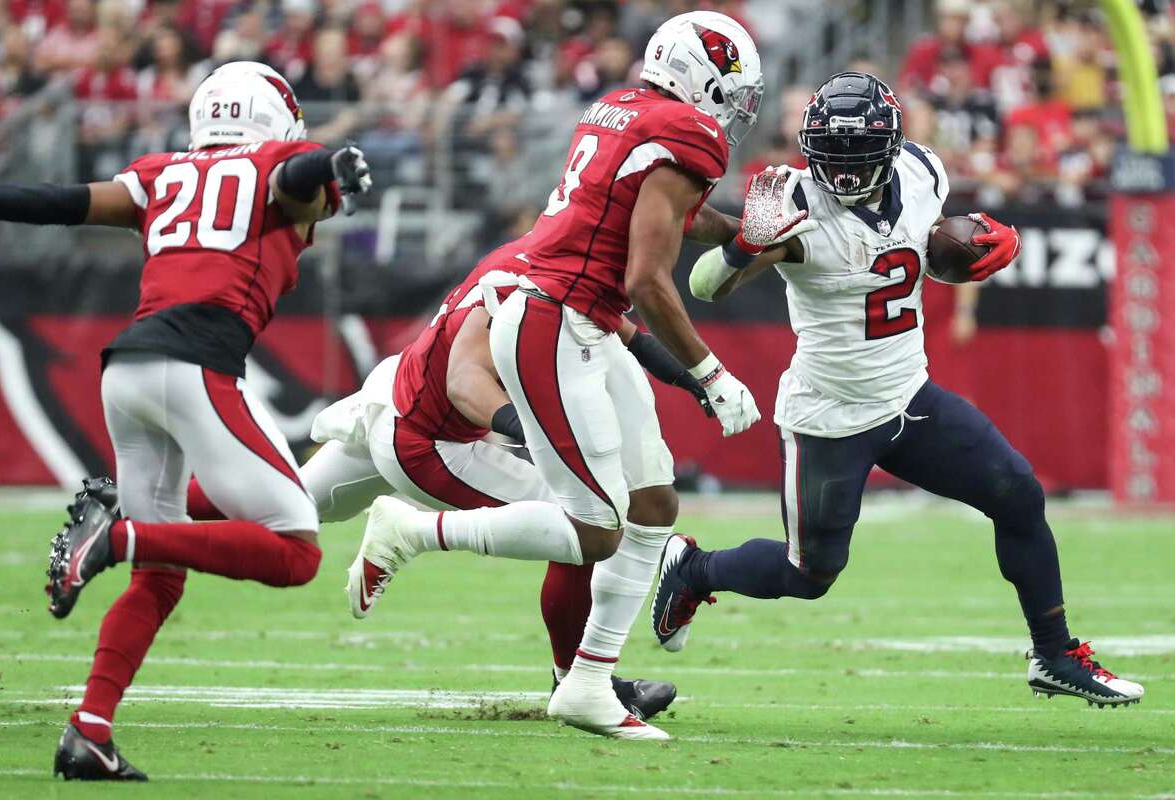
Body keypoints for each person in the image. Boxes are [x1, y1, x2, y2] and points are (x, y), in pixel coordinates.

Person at [356, 10, 793, 740]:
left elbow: (660, 214)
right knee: (597, 529)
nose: (733, 107)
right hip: (557, 321)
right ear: (698, 76)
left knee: (653, 503)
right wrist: (711, 373)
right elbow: (650, 279)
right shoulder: (686, 133)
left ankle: (588, 682)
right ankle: (415, 530)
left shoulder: (623, 109)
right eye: (729, 89)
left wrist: (739, 232)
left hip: (580, 317)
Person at [654, 71, 1144, 709]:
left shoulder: (922, 172)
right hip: (829, 415)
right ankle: (695, 569)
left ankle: (1053, 653)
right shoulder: (792, 204)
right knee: (810, 575)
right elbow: (706, 288)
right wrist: (748, 242)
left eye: (861, 158)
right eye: (837, 158)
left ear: (891, 145)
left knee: (1018, 494)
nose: (849, 174)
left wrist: (961, 255)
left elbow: (920, 249)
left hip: (909, 396)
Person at [0, 61, 371, 780]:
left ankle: (89, 732)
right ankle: (117, 530)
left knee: (161, 572)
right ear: (273, 117)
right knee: (297, 549)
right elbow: (291, 181)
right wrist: (329, 160)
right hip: (198, 364)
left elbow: (59, 202)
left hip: (126, 370)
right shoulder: (283, 165)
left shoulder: (162, 174)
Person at [151, 238, 709, 722]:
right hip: (429, 438)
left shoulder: (556, 263)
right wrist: (534, 431)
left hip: (395, 395)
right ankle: (578, 683)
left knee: (290, 504)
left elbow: (628, 333)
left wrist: (701, 380)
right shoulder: (527, 289)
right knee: (582, 526)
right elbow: (468, 380)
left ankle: (127, 504)